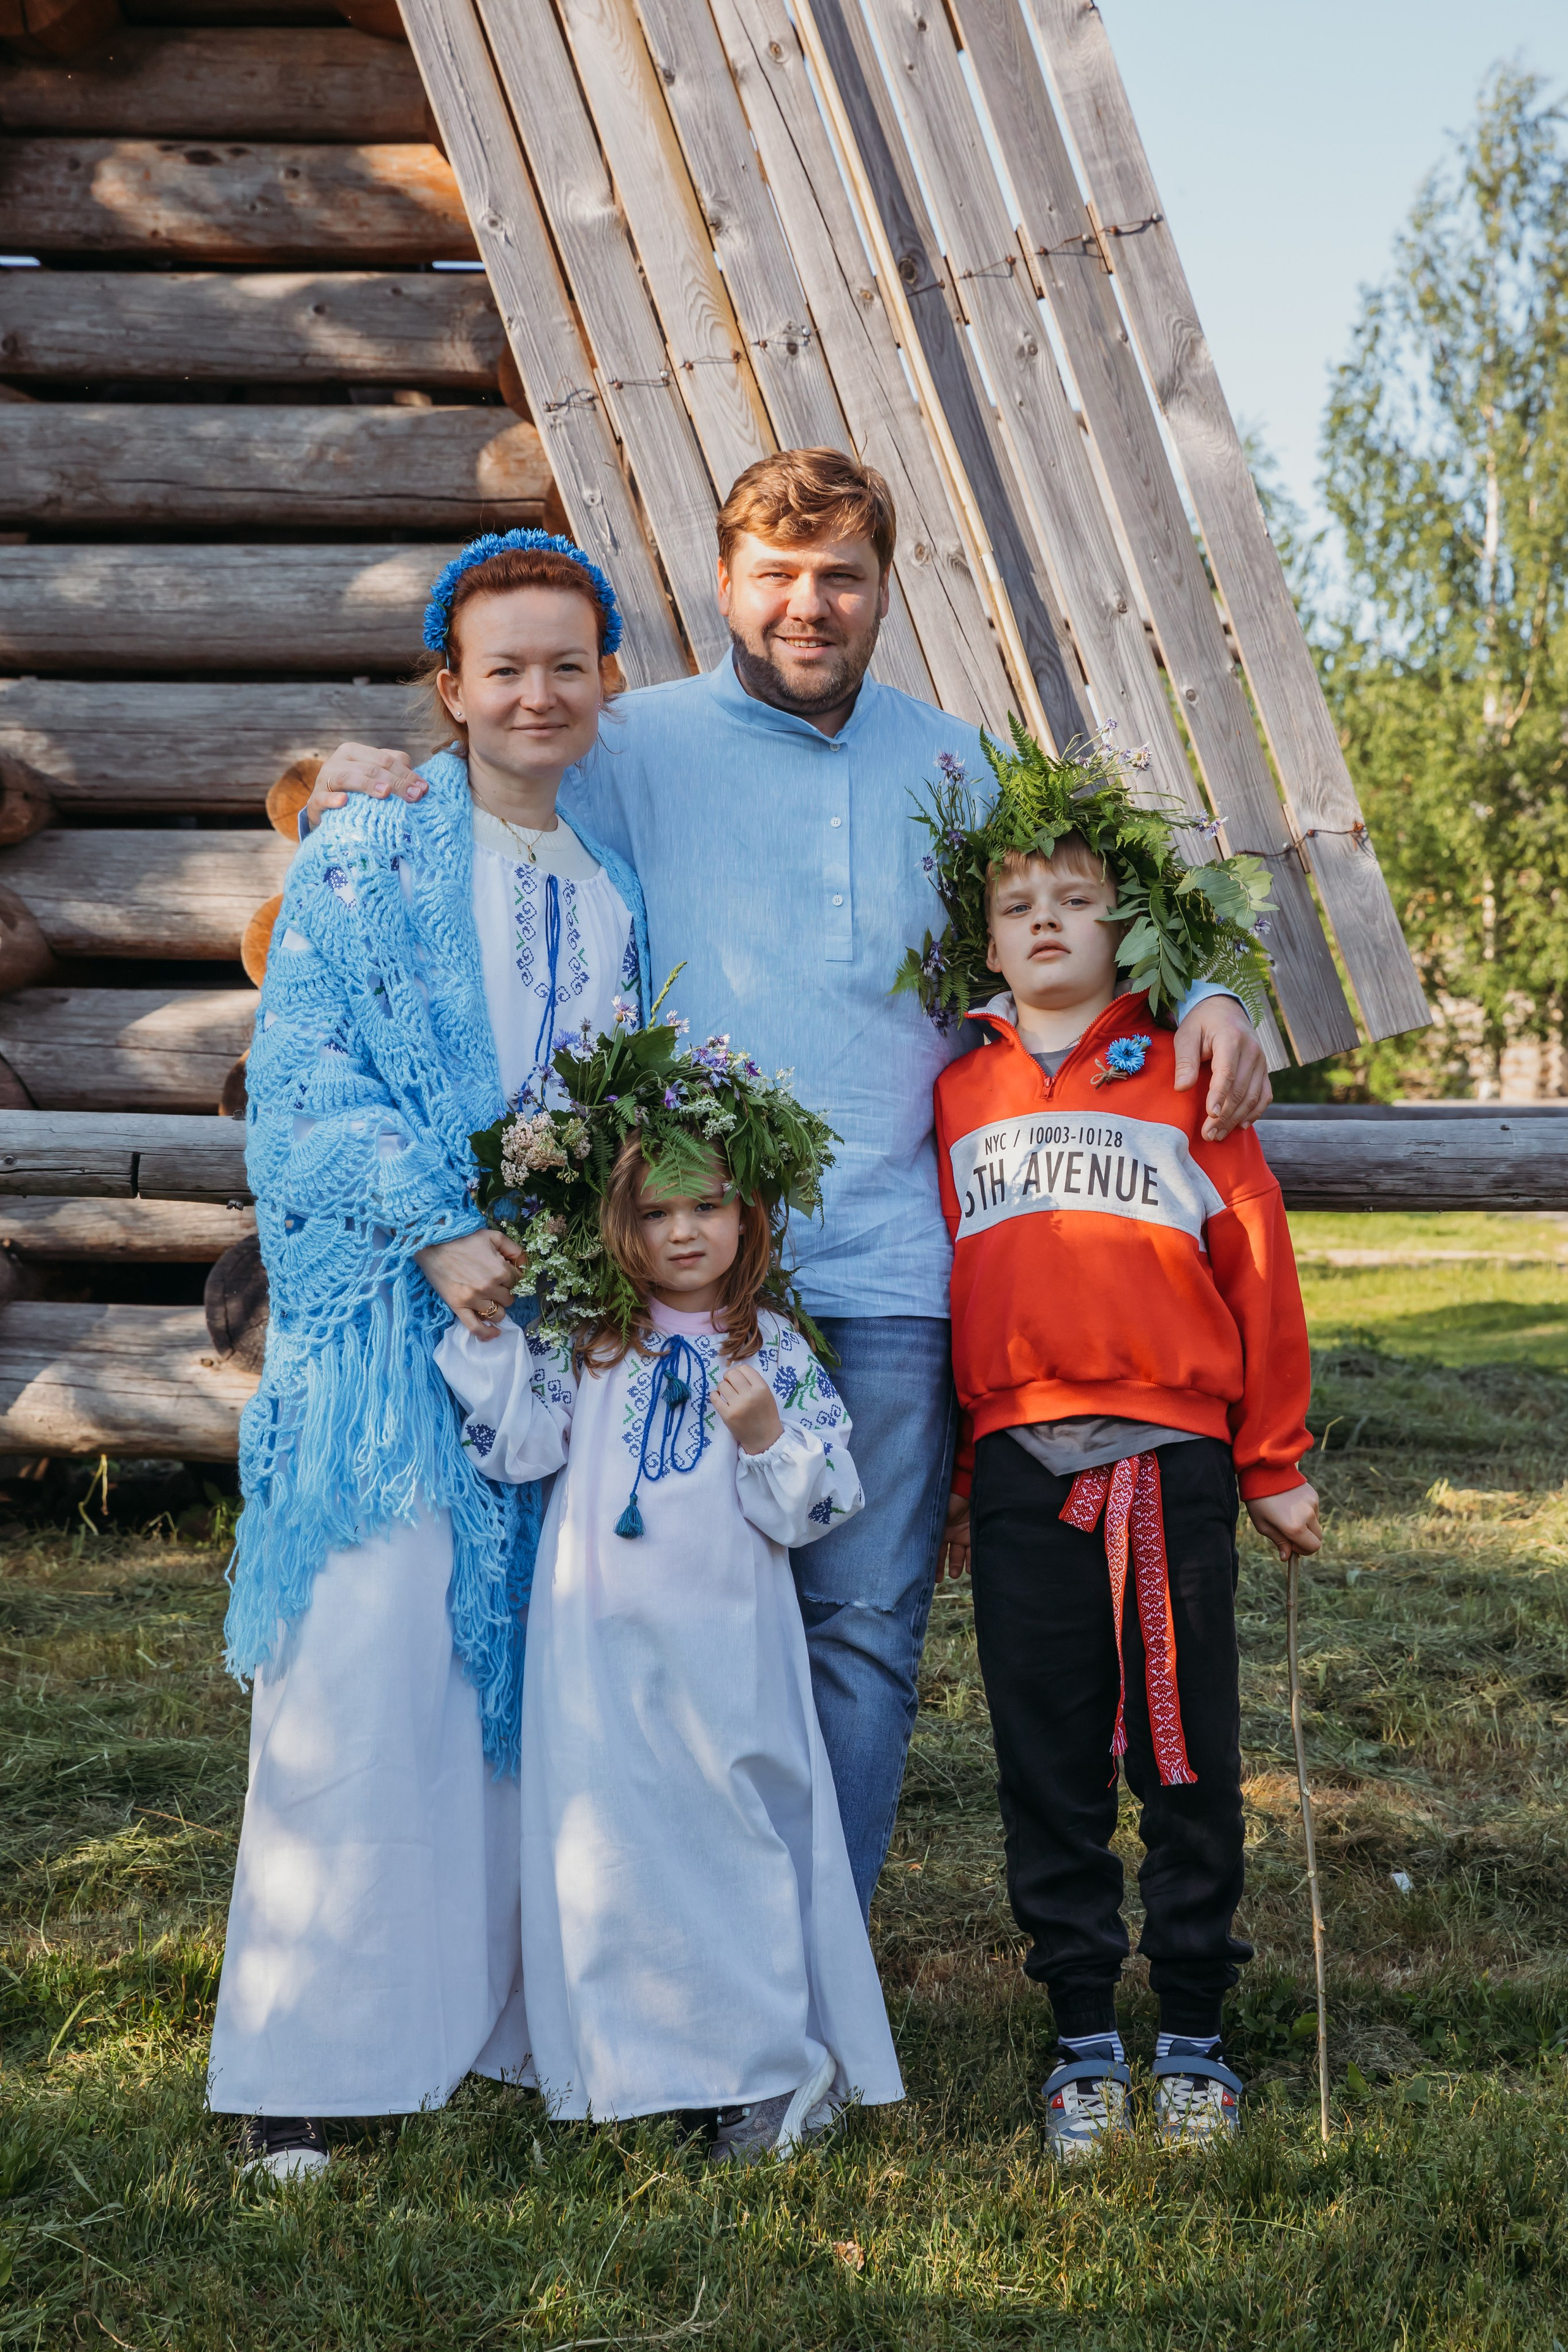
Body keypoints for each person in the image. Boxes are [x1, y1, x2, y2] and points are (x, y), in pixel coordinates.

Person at [302, 448, 1273, 1917]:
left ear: (885, 588)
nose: (806, 604)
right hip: (674, 1260)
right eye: (775, 575)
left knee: (862, 1624)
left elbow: (1097, 888)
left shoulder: (956, 765)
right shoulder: (635, 745)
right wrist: (343, 776)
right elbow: (471, 796)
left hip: (888, 1267)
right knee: (657, 1608)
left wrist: (1201, 985)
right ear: (725, 586)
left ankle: (810, 1956)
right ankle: (655, 1930)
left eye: (839, 576)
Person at [207, 531, 650, 2178]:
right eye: (503, 667)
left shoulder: (614, 895)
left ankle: (484, 2026)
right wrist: (429, 1221)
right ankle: (306, 2069)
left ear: (605, 680)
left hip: (544, 1353)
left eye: (566, 662)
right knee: (360, 1680)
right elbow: (303, 1082)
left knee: (508, 1698)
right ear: (450, 691)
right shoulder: (372, 853)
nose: (536, 692)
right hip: (387, 1351)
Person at [916, 726, 1319, 2160]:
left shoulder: (1179, 1064)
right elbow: (960, 1280)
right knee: (1045, 1754)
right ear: (984, 936)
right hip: (1023, 1458)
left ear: (1122, 922)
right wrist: (963, 1475)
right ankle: (1082, 2030)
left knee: (1185, 1746)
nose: (1041, 921)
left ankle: (1196, 2028)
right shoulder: (951, 1082)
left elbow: (1254, 1257)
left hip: (1171, 1453)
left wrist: (1270, 1461)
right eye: (1014, 903)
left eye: (1072, 900)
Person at [435, 1012, 903, 2159]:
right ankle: (618, 2066)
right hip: (598, 1652)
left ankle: (767, 2068)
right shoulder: (590, 1344)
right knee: (611, 1842)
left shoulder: (773, 1348)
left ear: (748, 1216)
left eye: (707, 1206)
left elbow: (816, 1508)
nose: (684, 1231)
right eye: (657, 1212)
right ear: (621, 1228)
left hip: (726, 1655)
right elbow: (519, 1451)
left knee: (730, 1835)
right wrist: (491, 1346)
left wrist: (765, 1435)